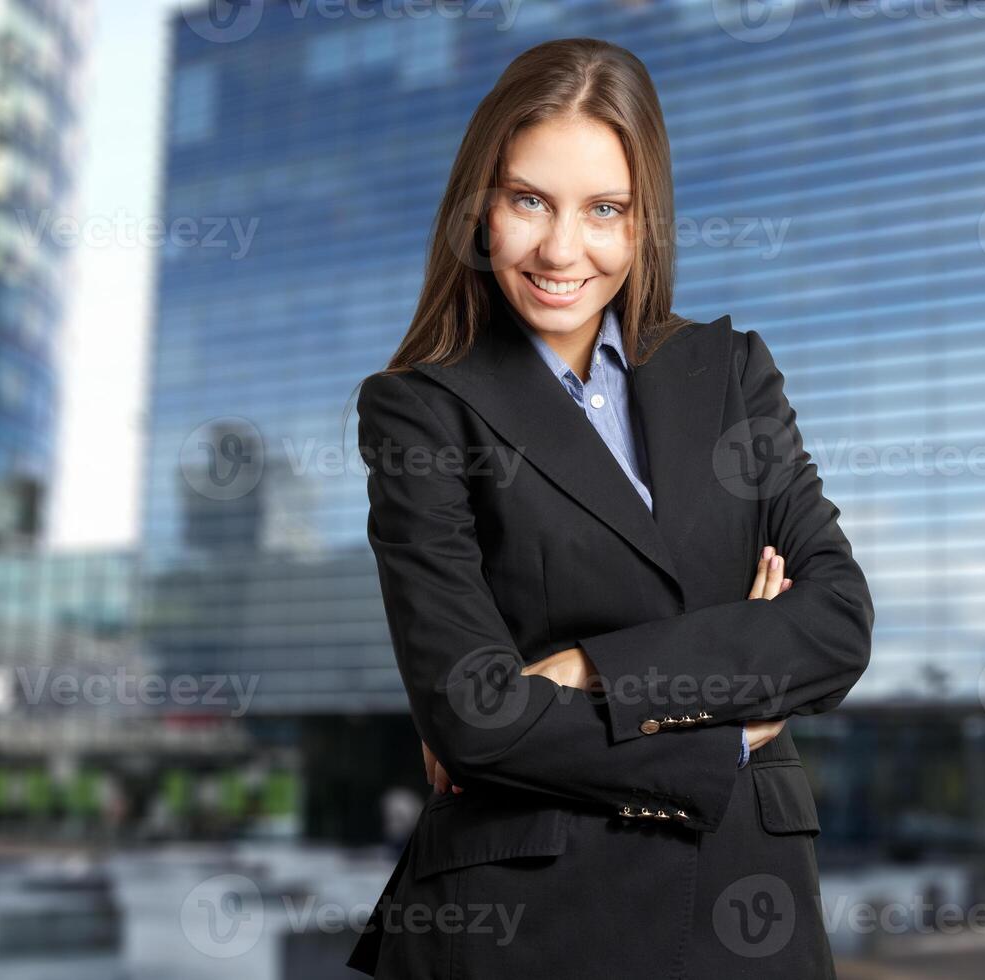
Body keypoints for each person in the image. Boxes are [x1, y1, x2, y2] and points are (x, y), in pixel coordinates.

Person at [344, 38, 874, 980]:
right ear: (480, 211)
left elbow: (832, 624)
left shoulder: (730, 373)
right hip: (527, 922)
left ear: (643, 224)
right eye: (527, 201)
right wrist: (730, 722)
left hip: (746, 910)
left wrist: (590, 669)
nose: (561, 249)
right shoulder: (419, 410)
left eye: (603, 210)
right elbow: (474, 717)